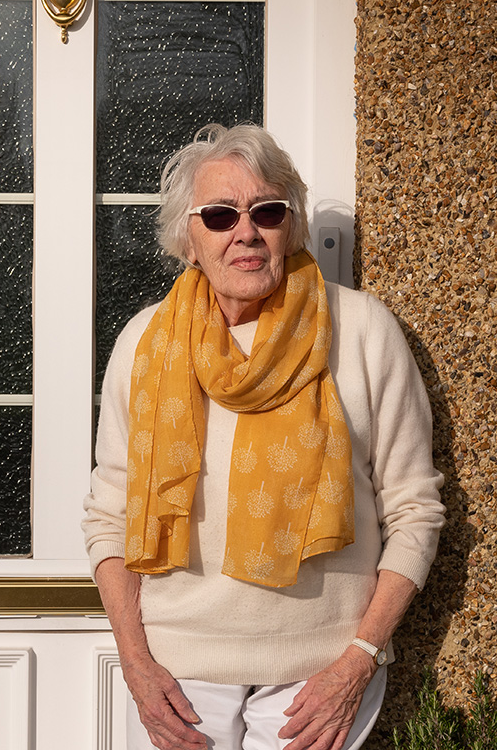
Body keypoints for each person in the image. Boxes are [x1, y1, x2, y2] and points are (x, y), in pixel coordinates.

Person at [82, 123, 445, 750]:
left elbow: (415, 509)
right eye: (220, 215)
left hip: (320, 670)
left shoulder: (362, 331)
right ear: (188, 239)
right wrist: (135, 663)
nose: (246, 232)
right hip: (177, 670)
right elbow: (108, 515)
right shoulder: (144, 342)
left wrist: (359, 659)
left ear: (291, 225)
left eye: (267, 211)